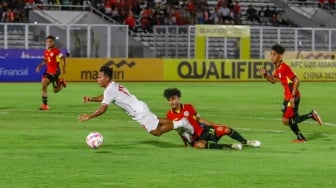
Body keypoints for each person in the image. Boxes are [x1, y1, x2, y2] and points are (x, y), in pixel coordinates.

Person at [78, 66, 194, 138]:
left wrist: (89, 116)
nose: (97, 79)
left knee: (156, 132)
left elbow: (102, 109)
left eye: (99, 77)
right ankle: (179, 125)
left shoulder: (109, 90)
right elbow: (104, 97)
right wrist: (91, 99)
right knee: (157, 121)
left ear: (107, 78)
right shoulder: (112, 86)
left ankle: (181, 123)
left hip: (138, 111)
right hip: (139, 105)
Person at [258, 44, 323, 143]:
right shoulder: (278, 68)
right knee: (290, 119)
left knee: (285, 120)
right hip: (288, 97)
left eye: (274, 54)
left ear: (280, 55)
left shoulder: (284, 67)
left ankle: (311, 115)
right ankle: (301, 138)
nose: (271, 56)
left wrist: (292, 97)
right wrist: (265, 74)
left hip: (292, 97)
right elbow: (273, 80)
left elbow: (297, 80)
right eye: (271, 54)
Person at [163, 88, 261, 150]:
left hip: (203, 131)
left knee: (225, 129)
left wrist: (213, 125)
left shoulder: (189, 107)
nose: (172, 102)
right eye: (169, 100)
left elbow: (199, 119)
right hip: (194, 139)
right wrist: (185, 144)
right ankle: (231, 146)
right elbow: (179, 130)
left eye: (174, 99)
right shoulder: (169, 115)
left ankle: (246, 142)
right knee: (200, 146)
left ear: (179, 98)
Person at [35, 35, 67, 110]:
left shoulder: (56, 51)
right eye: (48, 41)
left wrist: (64, 68)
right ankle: (45, 105)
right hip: (48, 72)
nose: (49, 43)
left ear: (53, 42)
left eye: (50, 41)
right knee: (43, 84)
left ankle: (62, 83)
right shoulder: (46, 52)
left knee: (55, 91)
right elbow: (46, 60)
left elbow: (64, 58)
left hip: (55, 72)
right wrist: (40, 65)